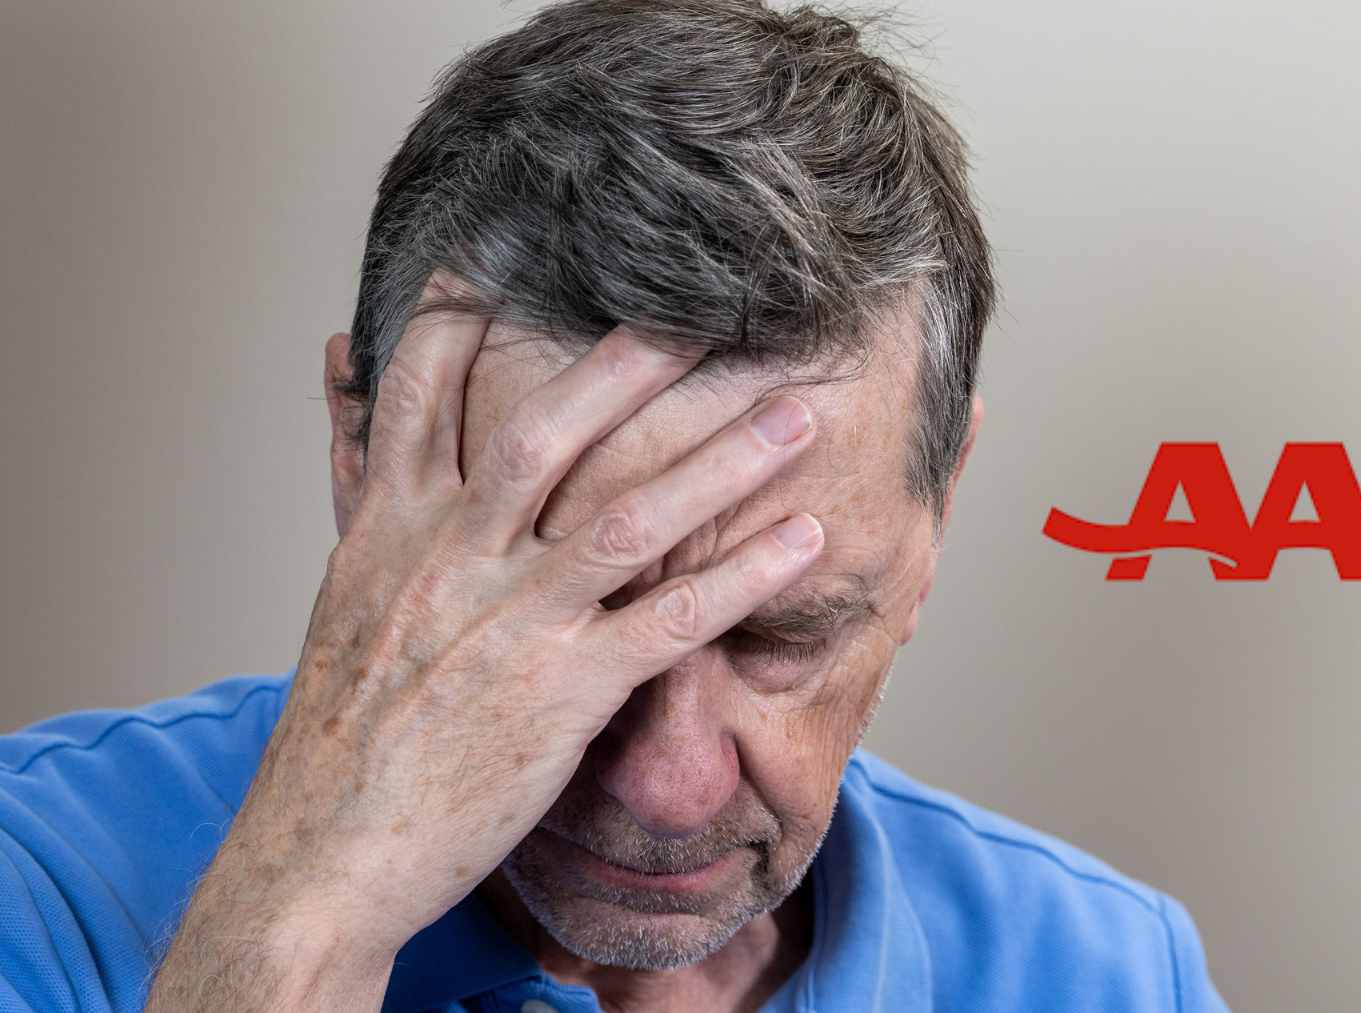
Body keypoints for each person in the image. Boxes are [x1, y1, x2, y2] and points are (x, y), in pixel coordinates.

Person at [0, 2, 1229, 1010]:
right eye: (566, 611)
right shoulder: (36, 881)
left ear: (939, 510)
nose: (668, 786)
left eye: (781, 632)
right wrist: (304, 920)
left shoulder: (1111, 973)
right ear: (361, 455)